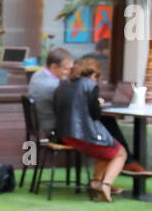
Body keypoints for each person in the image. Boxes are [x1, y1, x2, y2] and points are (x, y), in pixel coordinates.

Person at [54, 54, 126, 202]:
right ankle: (106, 185)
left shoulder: (63, 84)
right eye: (97, 76)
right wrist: (98, 103)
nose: (97, 79)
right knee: (120, 153)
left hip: (65, 135)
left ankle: (95, 182)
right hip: (84, 135)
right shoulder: (90, 85)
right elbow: (95, 114)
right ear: (94, 74)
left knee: (106, 151)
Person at [28, 47, 73, 137]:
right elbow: (69, 106)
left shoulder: (37, 74)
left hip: (39, 123)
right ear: (54, 67)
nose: (69, 72)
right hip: (51, 127)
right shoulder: (54, 86)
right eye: (66, 69)